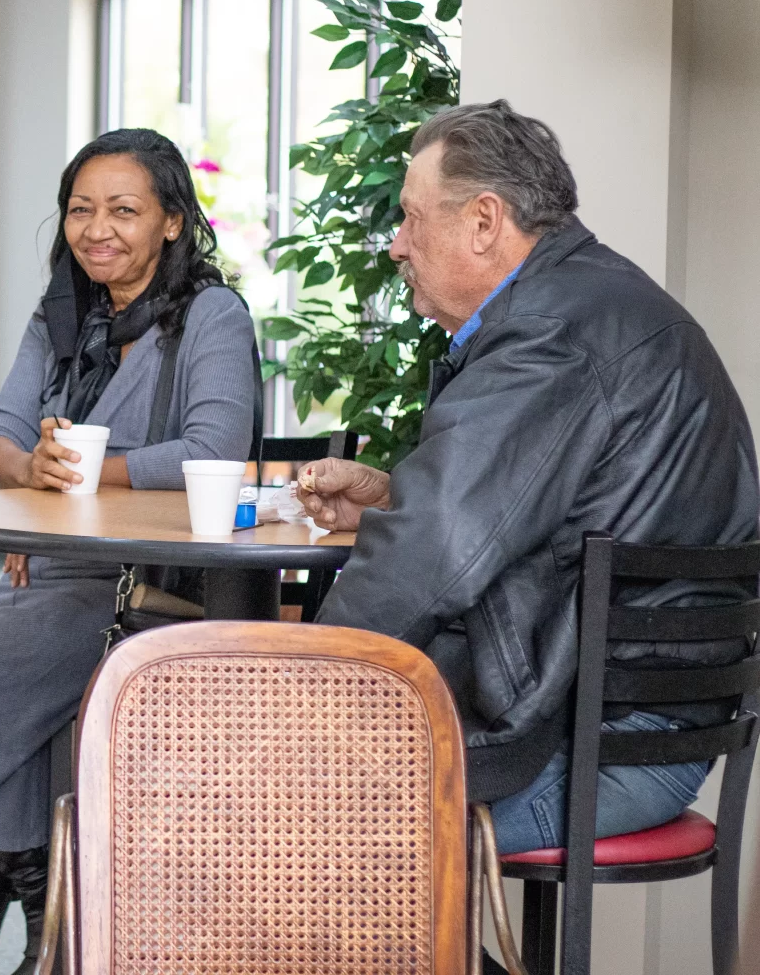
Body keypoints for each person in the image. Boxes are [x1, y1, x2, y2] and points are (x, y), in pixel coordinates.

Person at [0, 129, 258, 975]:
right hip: (45, 582)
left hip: (146, 596)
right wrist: (28, 467)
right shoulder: (63, 315)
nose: (96, 229)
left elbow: (216, 451)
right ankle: (41, 900)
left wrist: (82, 477)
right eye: (80, 209)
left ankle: (34, 898)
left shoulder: (212, 316)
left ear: (173, 222)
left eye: (123, 210)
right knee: (3, 764)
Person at [298, 100, 759, 857]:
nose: (395, 246)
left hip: (591, 748)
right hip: (626, 725)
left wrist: (284, 691)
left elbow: (437, 549)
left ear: (484, 221)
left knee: (260, 826)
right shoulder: (593, 301)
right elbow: (549, 515)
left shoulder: (549, 334)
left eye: (412, 219)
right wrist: (391, 498)